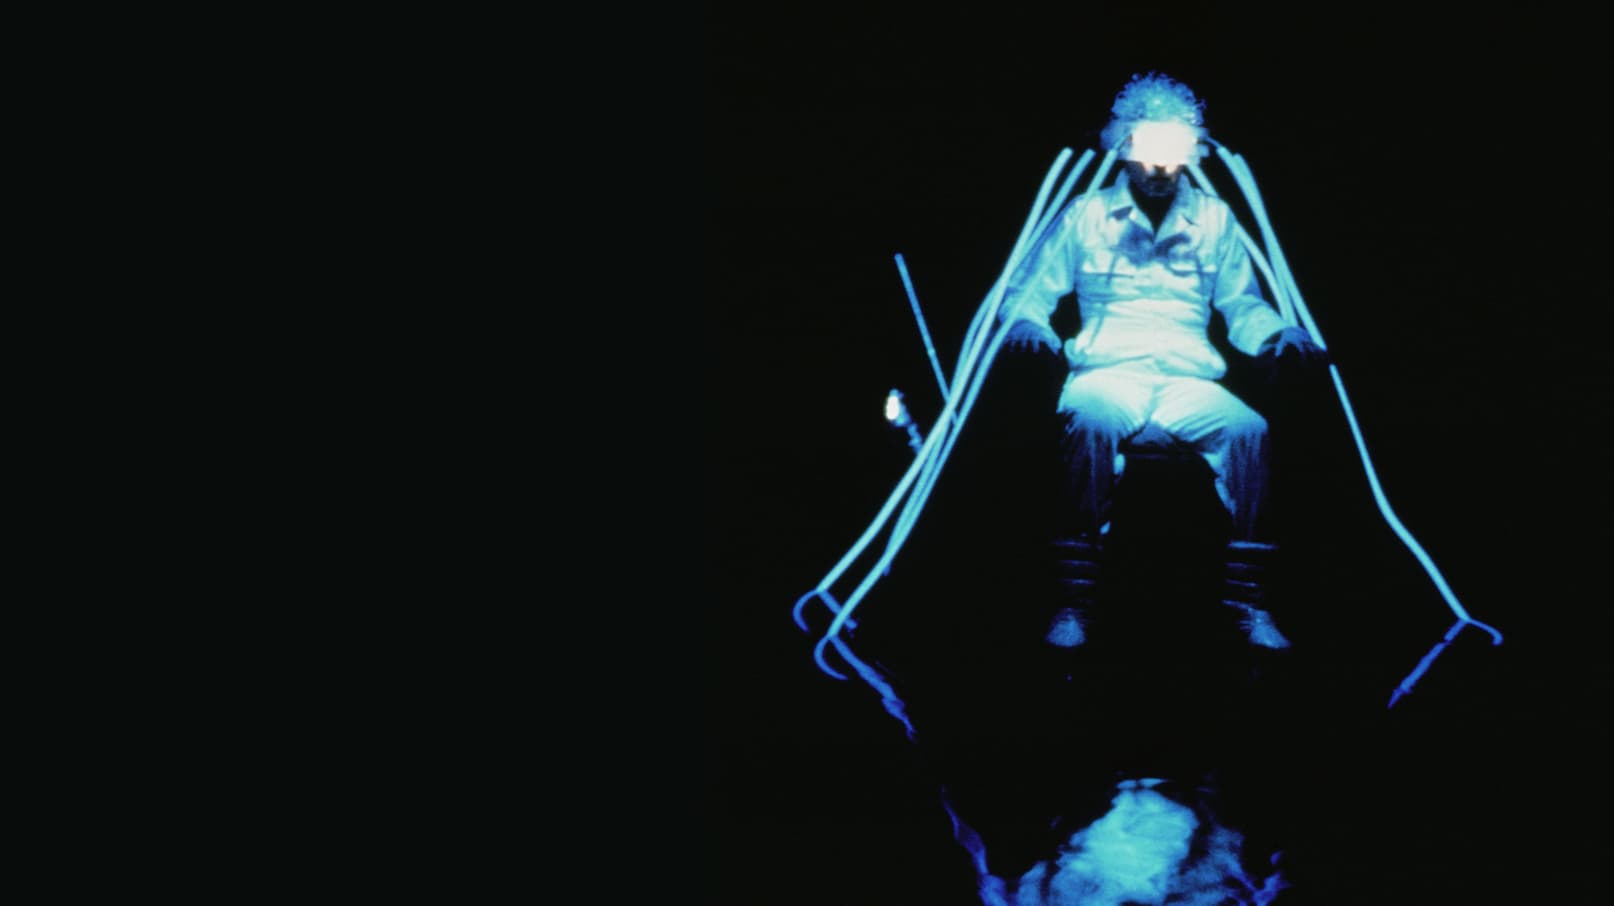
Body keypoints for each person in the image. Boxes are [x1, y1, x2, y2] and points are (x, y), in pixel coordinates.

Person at [998, 73, 1323, 540]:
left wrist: (1277, 333)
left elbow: (1242, 305)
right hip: (1107, 374)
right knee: (1090, 424)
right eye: (1149, 152)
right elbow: (1028, 292)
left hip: (1186, 380)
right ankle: (1077, 574)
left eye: (1173, 154)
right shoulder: (1086, 213)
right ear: (1125, 147)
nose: (1160, 168)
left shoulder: (1214, 217)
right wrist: (1029, 325)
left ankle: (1247, 575)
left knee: (1249, 432)